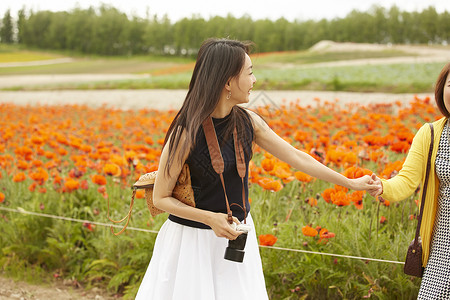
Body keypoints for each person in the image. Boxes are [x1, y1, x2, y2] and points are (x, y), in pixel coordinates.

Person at [135, 38, 379, 299]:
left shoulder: (249, 122)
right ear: (227, 82)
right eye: (249, 73)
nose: (254, 80)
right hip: (192, 243)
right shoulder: (186, 131)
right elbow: (161, 198)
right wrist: (209, 218)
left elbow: (298, 158)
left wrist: (351, 183)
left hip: (236, 237)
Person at [369, 62, 450, 299]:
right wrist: (382, 185)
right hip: (443, 246)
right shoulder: (432, 134)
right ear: (441, 90)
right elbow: (406, 180)